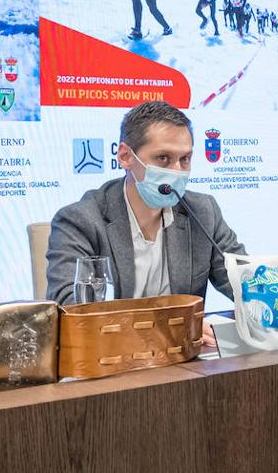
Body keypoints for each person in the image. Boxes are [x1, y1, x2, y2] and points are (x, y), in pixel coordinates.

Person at [46, 101, 246, 346]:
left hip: (185, 363)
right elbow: (71, 309)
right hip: (111, 362)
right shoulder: (81, 221)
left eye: (185, 159)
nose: (177, 171)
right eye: (163, 158)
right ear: (125, 156)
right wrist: (169, 325)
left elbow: (243, 282)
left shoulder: (203, 212)